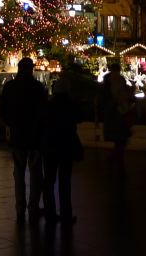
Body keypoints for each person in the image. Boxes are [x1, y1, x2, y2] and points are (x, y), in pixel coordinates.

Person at [0, 57, 47, 222]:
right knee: (35, 173)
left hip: (17, 135)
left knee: (18, 172)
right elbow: (43, 112)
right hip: (34, 136)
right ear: (30, 69)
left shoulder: (10, 87)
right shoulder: (37, 87)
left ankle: (20, 207)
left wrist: (11, 124)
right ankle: (33, 206)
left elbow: (3, 111)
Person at [41, 74, 83, 226]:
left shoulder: (49, 105)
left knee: (49, 180)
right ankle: (66, 213)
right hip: (66, 145)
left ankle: (50, 212)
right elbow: (79, 118)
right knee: (65, 181)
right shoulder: (71, 104)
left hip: (50, 146)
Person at [98, 60, 134, 174]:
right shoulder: (120, 80)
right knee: (121, 138)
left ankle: (115, 157)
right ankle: (118, 160)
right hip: (119, 111)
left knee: (119, 138)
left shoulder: (108, 80)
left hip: (113, 111)